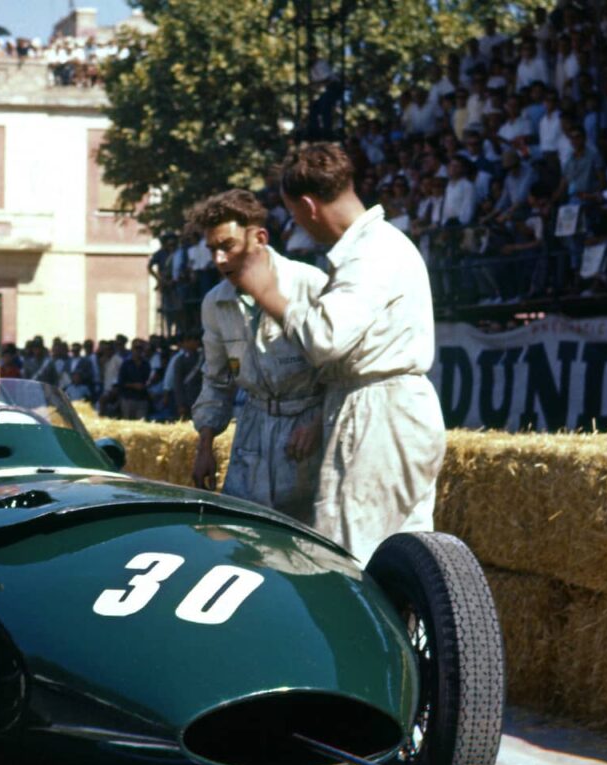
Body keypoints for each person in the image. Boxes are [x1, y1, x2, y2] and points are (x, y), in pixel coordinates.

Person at [238, 144, 445, 561]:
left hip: (379, 413)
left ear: (309, 206)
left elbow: (325, 338)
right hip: (383, 405)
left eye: (294, 213)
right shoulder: (380, 246)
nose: (297, 224)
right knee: (401, 557)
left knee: (351, 557)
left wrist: (269, 295)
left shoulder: (370, 254)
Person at [189, 190, 328, 523]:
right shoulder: (215, 302)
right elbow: (216, 379)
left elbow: (344, 370)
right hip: (252, 429)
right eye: (212, 250)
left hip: (307, 434)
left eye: (228, 246)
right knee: (242, 531)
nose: (219, 260)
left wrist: (318, 423)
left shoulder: (310, 285)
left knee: (306, 539)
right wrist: (205, 446)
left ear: (260, 238)